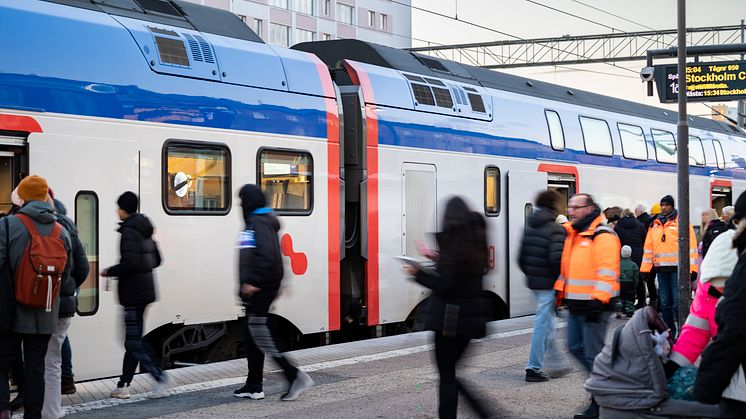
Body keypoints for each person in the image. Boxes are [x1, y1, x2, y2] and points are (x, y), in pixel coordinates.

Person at [405, 196, 492, 419]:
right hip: (469, 320)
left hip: (450, 321)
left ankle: (481, 413)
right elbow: (458, 271)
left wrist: (417, 274)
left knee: (447, 376)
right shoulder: (473, 240)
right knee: (451, 374)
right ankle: (484, 412)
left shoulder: (456, 243)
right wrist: (436, 257)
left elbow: (445, 284)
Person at [0, 175, 73, 419]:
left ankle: (3, 411)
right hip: (45, 311)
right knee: (36, 369)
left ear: (23, 197)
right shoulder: (61, 230)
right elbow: (70, 272)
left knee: (2, 364)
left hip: (10, 311)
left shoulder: (8, 225)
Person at [233, 184, 313, 402]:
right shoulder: (260, 221)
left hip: (259, 288)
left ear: (249, 201)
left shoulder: (258, 222)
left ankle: (294, 376)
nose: (239, 205)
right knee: (252, 336)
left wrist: (253, 282)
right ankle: (254, 385)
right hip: (262, 287)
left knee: (261, 334)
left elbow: (267, 256)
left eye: (242, 200)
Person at [554, 193, 620, 419]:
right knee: (574, 347)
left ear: (590, 208)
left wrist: (599, 300)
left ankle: (603, 400)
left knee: (594, 355)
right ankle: (606, 390)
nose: (571, 211)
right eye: (569, 206)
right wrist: (560, 295)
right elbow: (570, 270)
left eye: (576, 207)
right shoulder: (576, 234)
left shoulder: (602, 235)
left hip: (594, 306)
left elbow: (607, 270)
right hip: (575, 304)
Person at [102, 192, 169, 399]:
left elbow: (130, 263)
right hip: (145, 290)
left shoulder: (129, 231)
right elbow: (157, 260)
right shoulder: (145, 228)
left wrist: (110, 271)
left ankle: (159, 377)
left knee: (132, 341)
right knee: (133, 339)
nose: (117, 211)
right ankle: (123, 385)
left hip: (133, 292)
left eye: (118, 207)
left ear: (123, 209)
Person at [695, 192, 746, 417]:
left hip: (739, 392)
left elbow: (735, 332)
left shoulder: (741, 270)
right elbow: (694, 329)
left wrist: (706, 386)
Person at [665, 218, 739, 375]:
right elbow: (696, 331)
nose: (719, 288)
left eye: (726, 283)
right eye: (715, 282)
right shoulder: (707, 289)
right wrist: (672, 367)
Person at [40, 197, 89, 418]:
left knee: (37, 357)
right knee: (54, 356)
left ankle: (41, 405)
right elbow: (83, 267)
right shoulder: (68, 228)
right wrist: (69, 288)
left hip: (39, 302)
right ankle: (53, 406)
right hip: (63, 305)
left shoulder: (28, 226)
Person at [518, 190, 568, 382]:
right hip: (549, 284)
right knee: (542, 324)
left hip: (534, 283)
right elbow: (557, 260)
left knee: (548, 323)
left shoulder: (529, 226)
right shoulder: (555, 229)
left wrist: (532, 274)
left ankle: (555, 363)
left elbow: (521, 258)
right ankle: (533, 368)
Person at [640, 195, 698, 338]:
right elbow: (648, 249)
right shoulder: (655, 225)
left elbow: (691, 248)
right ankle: (669, 332)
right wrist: (645, 269)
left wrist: (692, 269)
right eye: (662, 205)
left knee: (678, 303)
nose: (663, 207)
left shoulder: (682, 223)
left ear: (672, 206)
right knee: (665, 303)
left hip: (677, 270)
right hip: (661, 270)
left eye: (666, 205)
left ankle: (683, 332)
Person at [614, 209, 647, 308]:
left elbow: (616, 241)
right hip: (638, 256)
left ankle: (623, 303)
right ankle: (641, 302)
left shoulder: (618, 226)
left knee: (623, 280)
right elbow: (644, 240)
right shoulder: (640, 226)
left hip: (623, 256)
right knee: (639, 280)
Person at [618, 245, 639, 318]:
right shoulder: (633, 265)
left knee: (620, 297)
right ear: (630, 253)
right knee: (629, 298)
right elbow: (636, 276)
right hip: (630, 284)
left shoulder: (617, 264)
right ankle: (629, 311)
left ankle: (619, 310)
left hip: (619, 283)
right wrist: (636, 284)